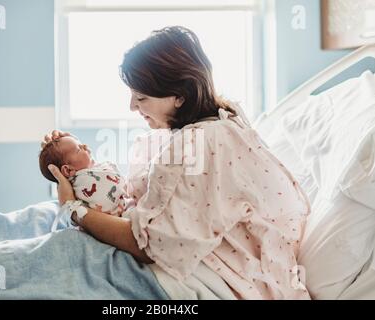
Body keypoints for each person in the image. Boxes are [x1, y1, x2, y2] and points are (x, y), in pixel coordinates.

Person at [44, 26, 311, 299]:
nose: (132, 107)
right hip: (235, 265)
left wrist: (73, 209)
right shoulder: (223, 122)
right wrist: (68, 158)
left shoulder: (196, 145)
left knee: (45, 258)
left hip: (216, 280)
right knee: (42, 226)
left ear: (180, 96)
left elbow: (146, 244)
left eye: (141, 97)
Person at [38, 135, 133, 231]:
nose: (85, 146)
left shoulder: (89, 172)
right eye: (79, 149)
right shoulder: (82, 183)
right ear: (68, 170)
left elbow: (91, 168)